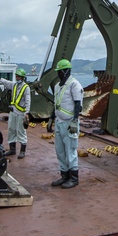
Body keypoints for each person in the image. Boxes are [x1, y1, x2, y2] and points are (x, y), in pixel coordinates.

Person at [48, 59, 83, 189]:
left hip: (69, 124)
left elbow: (78, 104)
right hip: (59, 122)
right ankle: (64, 175)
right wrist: (51, 119)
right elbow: (56, 104)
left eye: (60, 71)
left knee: (70, 150)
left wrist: (75, 121)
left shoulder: (74, 85)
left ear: (66, 71)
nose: (59, 74)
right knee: (60, 151)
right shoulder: (58, 86)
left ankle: (74, 178)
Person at [0, 68, 30, 158]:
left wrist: (27, 113)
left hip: (21, 113)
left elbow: (28, 101)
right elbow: (4, 81)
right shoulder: (14, 85)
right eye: (16, 76)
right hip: (13, 112)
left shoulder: (26, 88)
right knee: (11, 130)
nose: (17, 78)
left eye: (19, 76)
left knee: (21, 131)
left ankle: (22, 151)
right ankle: (12, 149)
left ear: (22, 77)